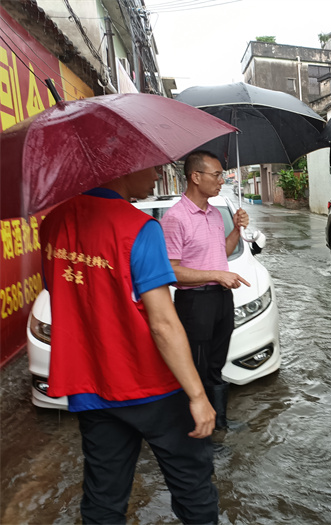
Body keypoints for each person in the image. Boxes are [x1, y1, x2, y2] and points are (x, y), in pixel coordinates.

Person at [40, 166, 219, 524]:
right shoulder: (139, 228)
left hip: (91, 385)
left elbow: (58, 290)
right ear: (121, 168)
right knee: (193, 485)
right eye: (150, 167)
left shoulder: (53, 222)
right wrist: (199, 396)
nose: (156, 175)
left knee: (103, 497)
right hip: (152, 384)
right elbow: (163, 323)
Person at [160, 150, 250, 430]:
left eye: (222, 174)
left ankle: (219, 422)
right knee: (196, 369)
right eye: (217, 174)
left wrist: (235, 229)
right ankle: (198, 433)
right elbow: (171, 271)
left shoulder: (212, 213)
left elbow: (220, 253)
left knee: (215, 364)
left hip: (221, 299)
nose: (222, 180)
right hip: (195, 303)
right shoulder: (176, 218)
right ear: (195, 177)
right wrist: (216, 275)